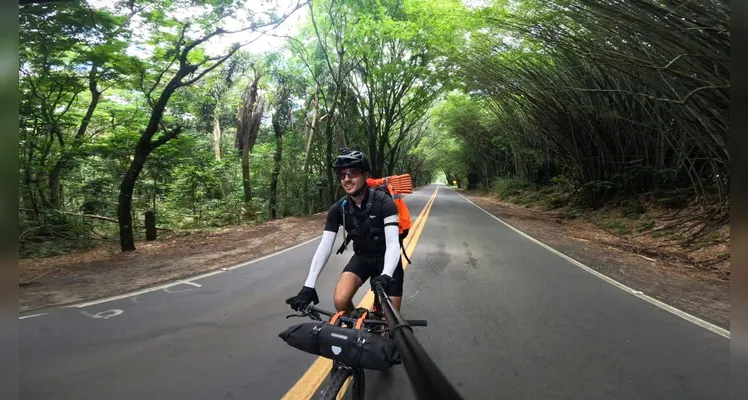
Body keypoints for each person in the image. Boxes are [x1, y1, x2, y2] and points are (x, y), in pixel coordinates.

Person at [286, 149, 405, 317]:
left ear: (365, 175)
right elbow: (325, 247)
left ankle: (382, 318)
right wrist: (309, 285)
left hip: (387, 258)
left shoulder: (385, 202)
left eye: (353, 173)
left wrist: (386, 275)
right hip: (362, 257)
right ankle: (359, 320)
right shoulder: (338, 209)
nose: (347, 179)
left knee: (389, 315)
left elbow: (393, 244)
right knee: (341, 301)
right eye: (342, 175)